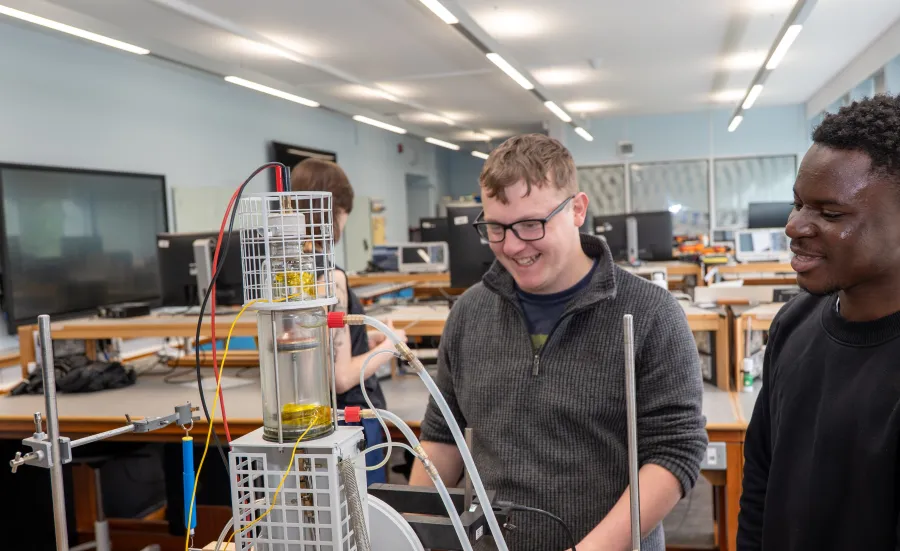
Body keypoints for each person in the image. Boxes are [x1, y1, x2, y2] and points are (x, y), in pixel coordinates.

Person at [409, 134, 707, 551]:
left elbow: (675, 452)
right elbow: (443, 439)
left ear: (577, 210)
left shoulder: (651, 313)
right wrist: (417, 533)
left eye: (532, 225)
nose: (513, 246)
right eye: (496, 228)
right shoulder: (468, 314)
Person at [737, 94, 900, 549]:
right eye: (798, 204)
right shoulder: (795, 322)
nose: (794, 226)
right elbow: (759, 485)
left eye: (830, 214)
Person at [289, 157, 406, 484]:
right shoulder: (331, 279)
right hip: (351, 421)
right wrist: (390, 347)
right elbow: (340, 378)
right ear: (334, 213)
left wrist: (360, 340)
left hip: (314, 422)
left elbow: (319, 350)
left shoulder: (292, 276)